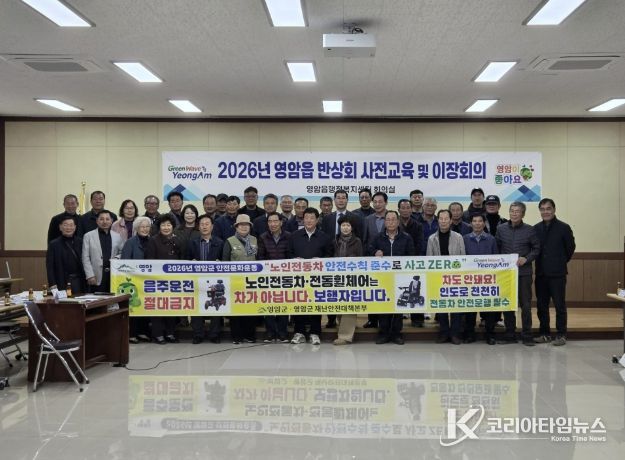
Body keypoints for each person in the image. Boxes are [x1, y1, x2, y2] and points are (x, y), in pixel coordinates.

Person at [495, 201, 541, 346]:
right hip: (506, 274)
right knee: (508, 304)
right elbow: (497, 248)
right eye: (512, 211)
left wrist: (526, 258)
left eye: (517, 211)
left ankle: (527, 335)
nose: (514, 214)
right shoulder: (501, 229)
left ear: (523, 214)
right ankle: (510, 334)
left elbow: (537, 248)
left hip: (524, 273)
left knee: (525, 305)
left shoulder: (530, 230)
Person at [288, 207, 333, 345]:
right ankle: (299, 332)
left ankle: (315, 332)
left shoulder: (324, 237)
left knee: (316, 304)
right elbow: (288, 253)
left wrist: (320, 260)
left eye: (312, 218)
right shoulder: (294, 236)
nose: (309, 220)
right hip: (298, 277)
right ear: (303, 220)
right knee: (299, 304)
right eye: (306, 218)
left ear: (317, 220)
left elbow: (329, 255)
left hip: (317, 277)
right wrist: (295, 259)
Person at [533, 198, 576, 346]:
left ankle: (561, 334)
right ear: (540, 211)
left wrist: (559, 261)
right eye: (542, 209)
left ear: (554, 209)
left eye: (548, 208)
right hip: (541, 274)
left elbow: (570, 249)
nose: (545, 212)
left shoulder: (564, 227)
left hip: (557, 274)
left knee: (559, 305)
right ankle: (544, 334)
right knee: (541, 306)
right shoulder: (536, 228)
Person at [369, 211, 415, 345]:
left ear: (398, 221)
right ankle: (383, 333)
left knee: (398, 306)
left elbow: (411, 255)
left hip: (400, 278)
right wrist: (374, 252)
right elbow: (368, 250)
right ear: (384, 222)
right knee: (384, 306)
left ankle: (396, 334)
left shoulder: (406, 238)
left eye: (393, 219)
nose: (390, 222)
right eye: (388, 220)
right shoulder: (377, 238)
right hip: (382, 278)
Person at [426, 209, 466, 345]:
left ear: (450, 220)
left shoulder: (458, 237)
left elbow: (463, 257)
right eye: (441, 219)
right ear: (438, 221)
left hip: (455, 277)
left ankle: (455, 333)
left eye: (446, 219)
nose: (443, 221)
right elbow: (429, 259)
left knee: (455, 306)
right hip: (438, 277)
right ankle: (443, 333)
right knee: (441, 306)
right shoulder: (432, 238)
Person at [145, 214, 184, 344]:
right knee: (157, 307)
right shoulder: (153, 240)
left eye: (168, 225)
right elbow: (149, 261)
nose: (166, 227)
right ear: (159, 227)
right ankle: (158, 334)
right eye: (163, 225)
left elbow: (182, 259)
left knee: (171, 306)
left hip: (173, 281)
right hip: (157, 281)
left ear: (173, 226)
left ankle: (170, 333)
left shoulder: (177, 240)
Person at [188, 215, 225, 344]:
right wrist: (190, 262)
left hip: (214, 280)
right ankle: (198, 334)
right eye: (202, 224)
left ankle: (214, 334)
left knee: (216, 305)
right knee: (197, 306)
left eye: (207, 224)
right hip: (197, 281)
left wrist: (220, 263)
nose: (204, 226)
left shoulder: (220, 242)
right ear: (198, 227)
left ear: (212, 226)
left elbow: (225, 261)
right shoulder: (192, 242)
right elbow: (186, 260)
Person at [463, 214, 499, 344]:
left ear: (484, 224)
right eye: (474, 221)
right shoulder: (464, 239)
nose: (477, 223)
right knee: (470, 309)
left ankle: (490, 334)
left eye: (480, 221)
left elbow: (496, 258)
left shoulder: (491, 239)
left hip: (487, 280)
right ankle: (469, 334)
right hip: (469, 280)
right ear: (471, 223)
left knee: (489, 308)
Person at [223, 214, 259, 344]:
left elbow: (259, 260)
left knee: (250, 309)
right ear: (236, 227)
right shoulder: (230, 241)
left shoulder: (254, 240)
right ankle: (236, 336)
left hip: (251, 281)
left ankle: (249, 335)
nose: (244, 227)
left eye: (246, 225)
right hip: (235, 282)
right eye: (241, 225)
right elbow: (225, 261)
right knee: (236, 309)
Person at [257, 211, 291, 343]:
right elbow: (260, 257)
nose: (273, 224)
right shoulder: (263, 237)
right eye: (270, 221)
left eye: (275, 221)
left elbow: (290, 255)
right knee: (269, 305)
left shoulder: (289, 236)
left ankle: (283, 333)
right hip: (268, 277)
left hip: (285, 277)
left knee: (283, 305)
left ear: (281, 222)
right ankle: (270, 332)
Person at [121, 216, 153, 344]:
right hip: (133, 280)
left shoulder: (152, 241)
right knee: (134, 306)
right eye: (142, 227)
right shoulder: (130, 242)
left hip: (148, 280)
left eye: (147, 227)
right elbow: (125, 261)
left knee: (145, 305)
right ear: (136, 228)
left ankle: (143, 332)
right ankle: (132, 333)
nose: (145, 229)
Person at [332, 214, 363, 345]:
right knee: (339, 304)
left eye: (348, 225)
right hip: (336, 277)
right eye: (343, 225)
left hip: (352, 277)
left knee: (349, 304)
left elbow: (361, 259)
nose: (345, 228)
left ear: (352, 228)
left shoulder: (357, 241)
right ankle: (347, 328)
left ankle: (345, 336)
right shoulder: (335, 241)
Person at [362, 191, 389, 329]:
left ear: (386, 203)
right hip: (371, 261)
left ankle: (386, 322)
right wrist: (371, 254)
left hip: (389, 262)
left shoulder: (392, 217)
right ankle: (372, 320)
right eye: (375, 202)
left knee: (388, 291)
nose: (377, 204)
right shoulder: (368, 219)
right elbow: (365, 241)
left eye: (380, 202)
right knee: (372, 291)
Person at [398, 199, 425, 327]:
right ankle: (397, 320)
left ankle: (417, 319)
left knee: (416, 292)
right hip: (398, 263)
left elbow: (420, 244)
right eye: (402, 208)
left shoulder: (418, 225)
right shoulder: (394, 223)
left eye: (407, 207)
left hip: (413, 262)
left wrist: (413, 260)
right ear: (398, 210)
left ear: (411, 209)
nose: (405, 210)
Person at [82, 210, 123, 293]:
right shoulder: (88, 236)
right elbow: (85, 257)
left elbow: (122, 252)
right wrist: (90, 275)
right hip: (95, 275)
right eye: (101, 219)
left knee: (112, 299)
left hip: (113, 274)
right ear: (97, 221)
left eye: (107, 219)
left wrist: (116, 258)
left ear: (111, 221)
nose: (104, 222)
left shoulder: (117, 236)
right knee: (97, 299)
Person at [46, 216, 86, 295]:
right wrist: (52, 284)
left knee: (79, 300)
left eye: (71, 225)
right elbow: (50, 266)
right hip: (61, 280)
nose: (68, 228)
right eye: (65, 225)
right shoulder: (53, 244)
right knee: (64, 301)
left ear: (75, 227)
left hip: (79, 280)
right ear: (60, 227)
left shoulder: (80, 242)